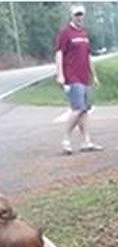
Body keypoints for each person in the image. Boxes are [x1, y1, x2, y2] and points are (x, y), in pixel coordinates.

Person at [55, 4, 102, 155]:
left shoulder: (84, 33)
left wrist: (94, 75)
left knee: (85, 111)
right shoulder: (65, 33)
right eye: (76, 15)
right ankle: (65, 140)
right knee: (78, 109)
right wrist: (60, 74)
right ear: (71, 15)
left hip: (85, 77)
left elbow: (88, 56)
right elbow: (59, 54)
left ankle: (87, 141)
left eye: (81, 14)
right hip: (72, 76)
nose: (79, 17)